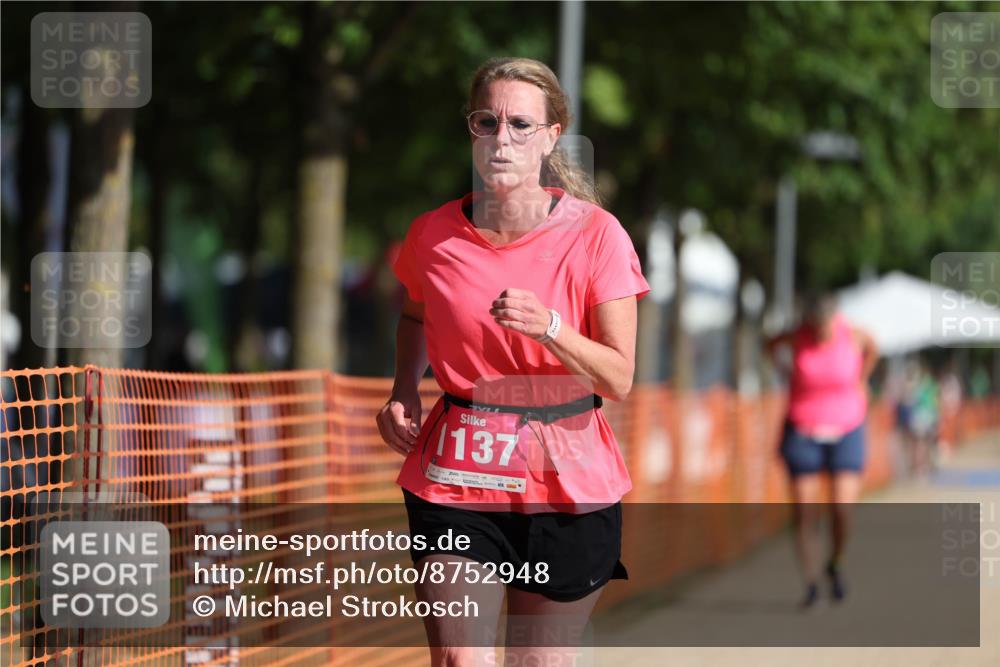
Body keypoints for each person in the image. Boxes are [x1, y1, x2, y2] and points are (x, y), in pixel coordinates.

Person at [375, 57, 649, 666]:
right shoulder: (432, 234)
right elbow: (416, 316)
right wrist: (403, 389)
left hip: (567, 478)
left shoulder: (598, 236)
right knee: (460, 660)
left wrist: (551, 328)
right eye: (487, 122)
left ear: (551, 136)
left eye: (521, 125)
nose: (502, 139)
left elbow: (619, 376)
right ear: (470, 130)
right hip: (458, 470)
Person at [765, 292, 878, 609]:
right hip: (803, 426)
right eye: (815, 327)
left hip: (847, 424)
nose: (820, 333)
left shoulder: (852, 334)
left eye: (824, 327)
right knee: (805, 511)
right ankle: (811, 583)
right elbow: (769, 344)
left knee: (842, 507)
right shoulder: (797, 335)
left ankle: (836, 563)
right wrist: (783, 371)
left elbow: (874, 347)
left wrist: (862, 379)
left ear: (834, 320)